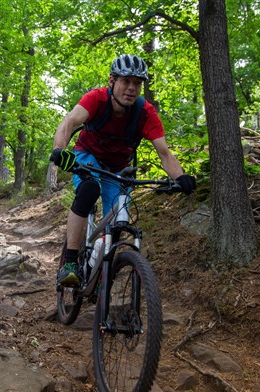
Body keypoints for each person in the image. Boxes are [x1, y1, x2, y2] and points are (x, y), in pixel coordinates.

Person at [50, 54, 196, 287]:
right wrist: (60, 150)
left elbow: (164, 153)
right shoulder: (96, 99)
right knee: (88, 191)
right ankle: (69, 261)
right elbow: (69, 122)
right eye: (126, 81)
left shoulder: (145, 112)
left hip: (119, 168)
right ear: (112, 81)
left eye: (137, 83)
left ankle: (99, 272)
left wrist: (180, 177)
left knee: (119, 222)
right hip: (88, 156)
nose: (131, 88)